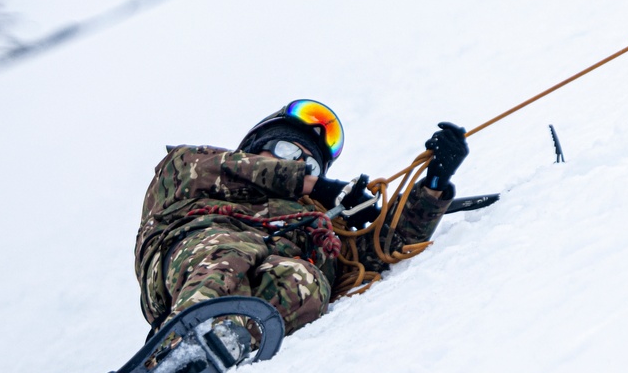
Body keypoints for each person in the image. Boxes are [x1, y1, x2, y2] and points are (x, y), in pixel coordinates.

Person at [133, 99, 468, 346]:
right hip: (189, 254)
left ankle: (224, 346)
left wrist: (433, 185)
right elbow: (222, 169)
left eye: (310, 164)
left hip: (255, 282)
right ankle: (185, 341)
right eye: (286, 152)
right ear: (254, 150)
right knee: (235, 247)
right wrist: (317, 185)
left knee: (304, 279)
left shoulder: (315, 222)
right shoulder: (196, 168)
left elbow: (382, 251)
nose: (299, 166)